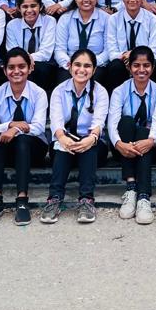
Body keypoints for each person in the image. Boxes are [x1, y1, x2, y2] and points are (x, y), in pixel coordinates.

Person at [42, 48, 109, 224]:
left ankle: (86, 200)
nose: (82, 69)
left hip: (92, 143)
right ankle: (54, 199)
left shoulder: (100, 92)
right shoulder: (59, 91)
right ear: (70, 66)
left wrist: (90, 139)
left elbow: (98, 123)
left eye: (87, 66)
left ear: (94, 69)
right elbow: (56, 122)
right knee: (61, 147)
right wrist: (64, 139)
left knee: (90, 147)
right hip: (65, 142)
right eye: (77, 64)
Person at [0, 47, 49, 226]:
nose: (16, 71)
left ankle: (22, 200)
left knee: (22, 140)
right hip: (7, 150)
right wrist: (10, 125)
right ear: (4, 70)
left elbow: (39, 127)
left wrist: (15, 130)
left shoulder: (39, 93)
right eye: (11, 67)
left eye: (21, 66)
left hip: (34, 149)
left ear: (30, 68)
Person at [108, 46, 156, 225]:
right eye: (136, 65)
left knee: (144, 130)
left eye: (146, 65)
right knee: (126, 121)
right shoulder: (119, 91)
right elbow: (112, 123)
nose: (141, 70)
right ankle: (131, 187)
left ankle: (143, 196)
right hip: (124, 148)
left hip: (151, 148)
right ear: (129, 67)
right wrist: (119, 144)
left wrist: (151, 140)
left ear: (153, 67)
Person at [103, 0, 156, 89]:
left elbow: (154, 52)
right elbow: (112, 53)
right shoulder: (113, 19)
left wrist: (135, 56)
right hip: (122, 62)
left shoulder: (153, 20)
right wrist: (126, 56)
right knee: (115, 66)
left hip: (145, 62)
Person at [2, 0, 60, 91]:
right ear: (19, 8)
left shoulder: (50, 21)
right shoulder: (12, 25)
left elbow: (46, 53)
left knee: (41, 68)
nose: (29, 10)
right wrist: (26, 61)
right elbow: (12, 51)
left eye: (33, 6)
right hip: (19, 64)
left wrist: (27, 59)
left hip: (43, 65)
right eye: (25, 7)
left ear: (41, 6)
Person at [54, 0, 110, 76]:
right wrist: (72, 65)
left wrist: (90, 65)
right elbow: (59, 50)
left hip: (97, 67)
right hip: (69, 67)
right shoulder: (65, 18)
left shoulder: (106, 19)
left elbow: (108, 51)